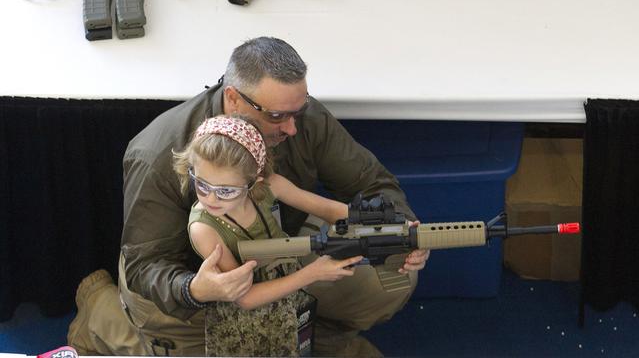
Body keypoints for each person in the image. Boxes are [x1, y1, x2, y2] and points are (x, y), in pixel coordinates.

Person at [67, 36, 429, 357]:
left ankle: (317, 339)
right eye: (276, 116)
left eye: (297, 112)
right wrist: (196, 289)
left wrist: (399, 230)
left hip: (275, 252)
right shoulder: (158, 153)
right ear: (233, 99)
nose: (292, 128)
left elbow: (370, 182)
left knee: (389, 272)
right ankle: (103, 315)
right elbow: (146, 265)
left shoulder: (297, 116)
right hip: (193, 290)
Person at [175, 115, 363, 355]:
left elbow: (329, 210)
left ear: (255, 182)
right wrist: (314, 272)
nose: (211, 198)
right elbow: (245, 298)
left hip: (285, 302)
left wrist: (395, 226)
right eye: (202, 185)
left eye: (226, 190)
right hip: (245, 328)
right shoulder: (204, 228)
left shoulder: (270, 186)